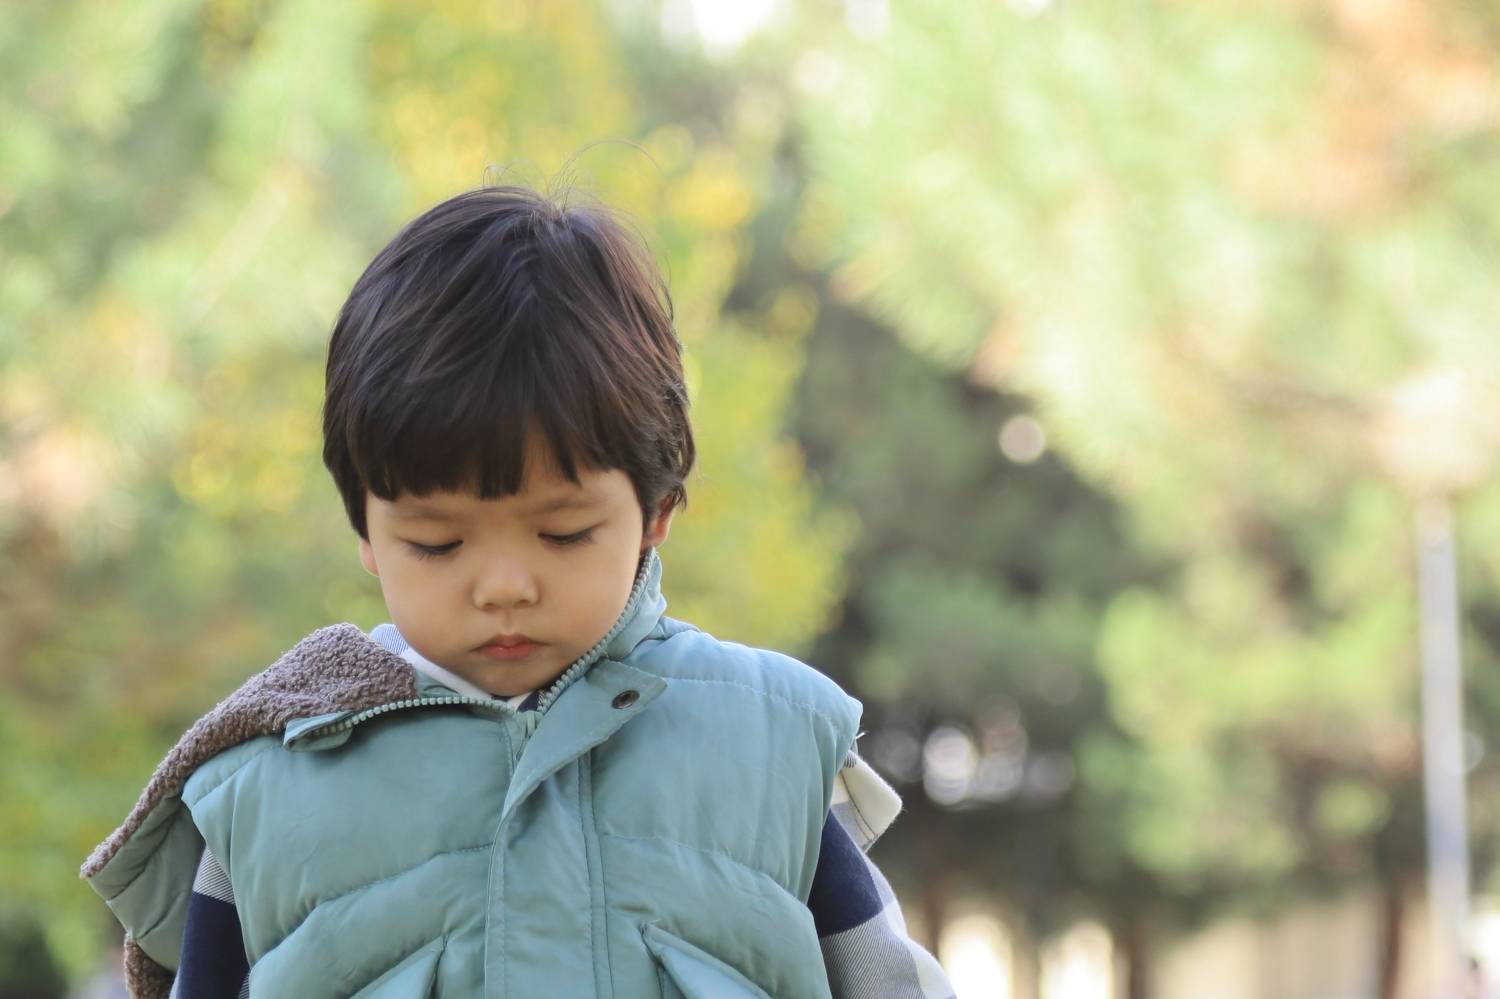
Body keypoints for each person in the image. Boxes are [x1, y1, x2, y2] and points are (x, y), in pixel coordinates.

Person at [81, 185, 954, 998]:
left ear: (655, 509)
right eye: (437, 542)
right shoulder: (267, 788)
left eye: (563, 532)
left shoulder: (770, 748)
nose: (503, 587)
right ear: (366, 531)